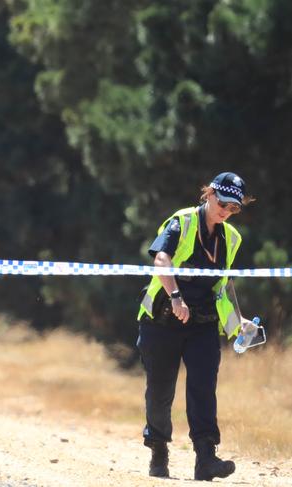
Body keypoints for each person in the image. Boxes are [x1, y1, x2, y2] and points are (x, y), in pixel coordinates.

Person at [136, 172, 255, 481]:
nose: (227, 211)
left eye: (234, 208)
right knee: (160, 391)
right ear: (209, 194)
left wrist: (238, 321)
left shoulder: (231, 238)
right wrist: (175, 297)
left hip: (202, 323)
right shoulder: (182, 222)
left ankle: (206, 458)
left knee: (203, 388)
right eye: (223, 203)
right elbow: (161, 259)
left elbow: (224, 286)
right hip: (162, 319)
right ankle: (159, 449)